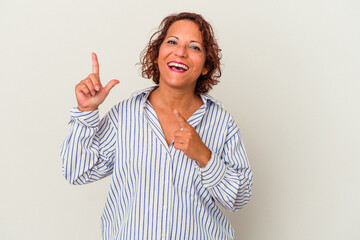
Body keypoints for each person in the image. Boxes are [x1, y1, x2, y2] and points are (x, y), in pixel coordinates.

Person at [61, 12, 253, 240]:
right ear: (157, 54)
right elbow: (77, 172)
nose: (180, 52)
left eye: (194, 47)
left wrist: (205, 157)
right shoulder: (124, 116)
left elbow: (239, 199)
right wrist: (86, 112)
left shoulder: (222, 123)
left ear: (205, 67)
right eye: (172, 42)